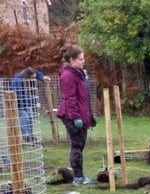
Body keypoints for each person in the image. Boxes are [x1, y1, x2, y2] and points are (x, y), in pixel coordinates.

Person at [56, 46, 97, 185]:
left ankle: (79, 175)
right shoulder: (67, 76)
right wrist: (75, 118)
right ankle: (78, 177)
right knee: (77, 145)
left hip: (81, 113)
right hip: (70, 115)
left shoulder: (80, 74)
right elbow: (70, 99)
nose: (83, 61)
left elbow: (85, 97)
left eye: (83, 58)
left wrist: (91, 115)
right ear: (72, 60)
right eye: (80, 59)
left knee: (80, 145)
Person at [10, 67, 50, 146]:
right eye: (32, 78)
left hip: (27, 101)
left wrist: (42, 77)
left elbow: (37, 73)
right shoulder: (17, 81)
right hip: (19, 103)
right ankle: (26, 138)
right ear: (27, 76)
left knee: (30, 118)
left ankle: (31, 137)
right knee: (24, 118)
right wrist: (33, 103)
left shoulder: (29, 74)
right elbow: (19, 96)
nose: (33, 79)